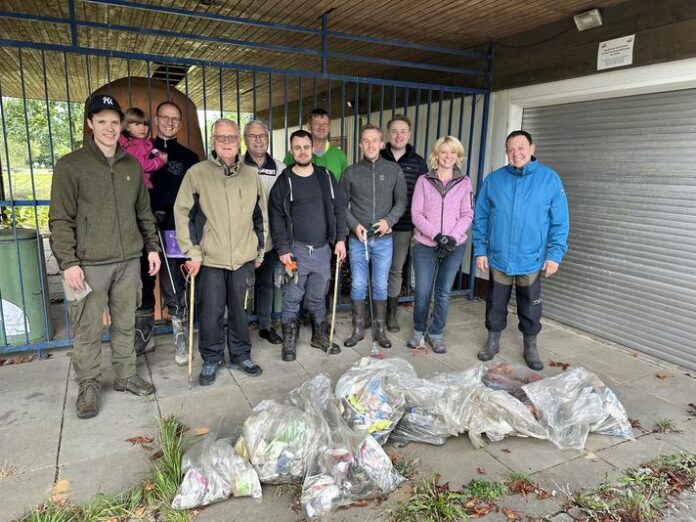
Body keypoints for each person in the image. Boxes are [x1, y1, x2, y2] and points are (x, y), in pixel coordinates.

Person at [49, 94, 160, 419]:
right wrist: (68, 263)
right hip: (89, 264)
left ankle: (125, 375)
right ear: (90, 124)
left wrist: (151, 247)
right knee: (88, 328)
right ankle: (89, 384)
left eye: (114, 122)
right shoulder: (71, 166)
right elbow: (60, 219)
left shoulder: (131, 165)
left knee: (126, 322)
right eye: (102, 122)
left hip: (128, 260)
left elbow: (143, 211)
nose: (109, 128)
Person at [174, 118, 267, 386]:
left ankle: (240, 355)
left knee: (240, 310)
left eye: (231, 137)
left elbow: (260, 217)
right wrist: (192, 252)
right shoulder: (197, 173)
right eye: (220, 137)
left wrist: (259, 251)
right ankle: (212, 357)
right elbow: (183, 214)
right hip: (210, 258)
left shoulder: (251, 175)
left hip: (243, 258)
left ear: (238, 140)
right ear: (213, 141)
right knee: (211, 312)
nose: (226, 142)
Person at [472, 130, 570, 370]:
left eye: (521, 147)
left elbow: (560, 221)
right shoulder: (494, 180)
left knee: (530, 305)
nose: (516, 153)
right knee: (495, 303)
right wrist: (480, 250)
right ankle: (493, 342)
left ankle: (530, 346)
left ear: (532, 148)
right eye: (511, 149)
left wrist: (554, 255)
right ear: (507, 152)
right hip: (500, 257)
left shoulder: (550, 179)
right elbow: (481, 218)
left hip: (532, 258)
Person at [269, 130, 347, 361]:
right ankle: (289, 343)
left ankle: (319, 336)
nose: (302, 151)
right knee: (292, 296)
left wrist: (341, 238)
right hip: (296, 251)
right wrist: (283, 250)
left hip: (323, 250)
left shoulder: (326, 177)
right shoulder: (285, 180)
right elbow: (276, 217)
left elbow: (339, 210)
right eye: (297, 147)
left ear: (312, 148)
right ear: (291, 151)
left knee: (318, 295)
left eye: (306, 146)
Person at [135, 101, 200, 365]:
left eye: (175, 119)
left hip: (175, 228)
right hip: (144, 226)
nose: (170, 122)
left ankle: (179, 333)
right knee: (144, 279)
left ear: (180, 124)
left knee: (174, 280)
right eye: (165, 117)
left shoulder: (189, 158)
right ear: (156, 118)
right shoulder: (138, 150)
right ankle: (144, 334)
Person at [340, 123, 407, 349]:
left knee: (380, 284)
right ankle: (358, 328)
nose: (370, 145)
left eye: (374, 140)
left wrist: (389, 221)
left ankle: (379, 328)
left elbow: (402, 202)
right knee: (358, 283)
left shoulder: (393, 170)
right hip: (359, 239)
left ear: (381, 143)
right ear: (360, 144)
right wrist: (354, 225)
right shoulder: (350, 172)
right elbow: (341, 205)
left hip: (384, 240)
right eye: (365, 141)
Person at [407, 136, 474, 354]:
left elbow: (467, 214)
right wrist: (437, 236)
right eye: (443, 152)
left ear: (458, 156)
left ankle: (436, 334)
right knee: (423, 292)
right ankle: (418, 331)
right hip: (426, 244)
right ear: (437, 155)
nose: (448, 156)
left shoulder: (464, 182)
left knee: (443, 292)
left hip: (454, 246)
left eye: (452, 152)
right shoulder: (424, 181)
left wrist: (452, 237)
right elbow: (416, 214)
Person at [380, 114, 429, 332]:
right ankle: (377, 311)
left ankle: (391, 314)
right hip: (378, 225)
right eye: (394, 131)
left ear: (409, 134)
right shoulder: (378, 157)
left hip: (404, 226)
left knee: (395, 270)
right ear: (388, 134)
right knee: (377, 269)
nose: (398, 135)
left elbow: (426, 195)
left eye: (403, 131)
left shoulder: (418, 162)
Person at [243, 119, 285, 346]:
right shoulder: (237, 165)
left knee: (266, 284)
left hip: (268, 239)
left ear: (268, 139)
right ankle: (239, 328)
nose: (258, 140)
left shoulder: (280, 169)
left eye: (262, 136)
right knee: (240, 285)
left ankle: (266, 326)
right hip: (241, 239)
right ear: (245, 139)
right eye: (253, 136)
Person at [284, 108, 348, 181]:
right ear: (309, 126)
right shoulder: (293, 155)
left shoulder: (340, 156)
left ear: (329, 127)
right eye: (316, 123)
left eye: (325, 124)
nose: (321, 127)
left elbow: (343, 188)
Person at [118, 107, 167, 189]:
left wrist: (158, 153)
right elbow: (143, 166)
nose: (143, 128)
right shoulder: (136, 145)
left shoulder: (138, 141)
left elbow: (150, 149)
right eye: (137, 124)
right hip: (138, 185)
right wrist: (160, 161)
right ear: (127, 127)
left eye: (145, 124)